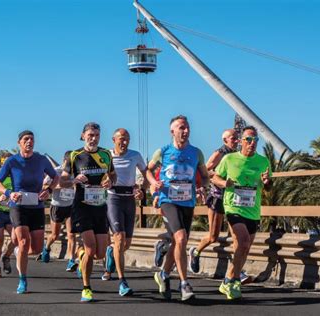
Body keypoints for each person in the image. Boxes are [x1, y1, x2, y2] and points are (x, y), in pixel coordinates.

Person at [147, 115, 209, 301]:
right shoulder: (163, 151)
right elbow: (147, 169)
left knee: (178, 243)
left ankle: (163, 274)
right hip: (168, 200)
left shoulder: (196, 153)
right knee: (181, 238)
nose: (185, 131)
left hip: (188, 202)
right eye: (181, 127)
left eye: (187, 127)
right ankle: (184, 284)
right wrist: (154, 185)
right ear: (172, 131)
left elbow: (205, 176)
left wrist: (202, 187)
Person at [0, 130, 58, 294]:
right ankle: (22, 280)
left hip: (36, 206)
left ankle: (15, 252)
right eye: (25, 139)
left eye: (32, 139)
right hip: (18, 206)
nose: (29, 141)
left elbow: (55, 177)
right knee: (23, 242)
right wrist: (9, 193)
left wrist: (49, 190)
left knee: (36, 249)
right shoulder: (12, 161)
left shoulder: (41, 160)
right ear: (19, 143)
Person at [212, 126, 272, 300]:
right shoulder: (229, 159)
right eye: (248, 140)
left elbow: (268, 188)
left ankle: (227, 279)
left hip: (252, 211)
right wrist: (224, 184)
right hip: (233, 207)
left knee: (244, 248)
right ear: (240, 141)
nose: (252, 143)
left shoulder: (263, 162)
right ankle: (235, 280)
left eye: (255, 140)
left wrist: (266, 182)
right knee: (243, 241)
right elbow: (215, 177)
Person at [60, 122, 116, 302]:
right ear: (83, 135)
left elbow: (113, 175)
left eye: (97, 135)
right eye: (90, 135)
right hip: (82, 206)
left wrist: (110, 182)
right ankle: (86, 288)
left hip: (100, 206)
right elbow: (62, 182)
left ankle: (81, 254)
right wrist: (74, 180)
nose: (93, 138)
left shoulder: (106, 154)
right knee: (91, 249)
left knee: (99, 253)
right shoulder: (74, 155)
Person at [101, 128, 147, 296]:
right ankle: (122, 282)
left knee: (125, 244)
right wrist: (104, 182)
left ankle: (111, 252)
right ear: (114, 139)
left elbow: (145, 173)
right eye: (121, 139)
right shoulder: (106, 156)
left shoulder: (135, 155)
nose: (124, 142)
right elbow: (99, 176)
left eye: (127, 139)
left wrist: (143, 190)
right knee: (119, 238)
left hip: (129, 200)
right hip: (113, 199)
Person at [188, 129, 240, 274]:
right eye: (233, 138)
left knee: (236, 234)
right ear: (225, 140)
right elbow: (206, 171)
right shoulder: (220, 153)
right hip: (217, 198)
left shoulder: (237, 155)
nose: (236, 140)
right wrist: (220, 177)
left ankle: (237, 269)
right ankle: (196, 252)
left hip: (232, 199)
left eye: (237, 138)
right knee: (213, 236)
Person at [38, 151, 78, 272]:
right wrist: (63, 185)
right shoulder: (56, 171)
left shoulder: (77, 172)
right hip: (57, 206)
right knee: (55, 235)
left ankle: (71, 261)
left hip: (71, 206)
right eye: (70, 163)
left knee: (72, 235)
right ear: (64, 161)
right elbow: (44, 187)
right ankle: (47, 247)